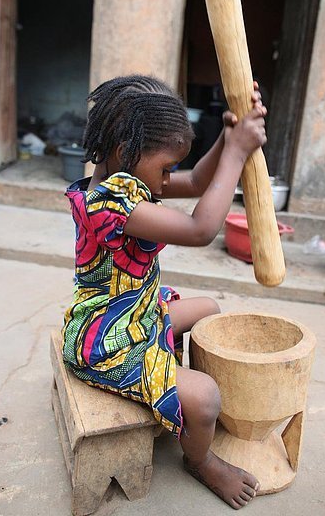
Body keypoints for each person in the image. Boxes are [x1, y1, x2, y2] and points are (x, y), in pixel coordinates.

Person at [62, 74, 267, 510]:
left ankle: (182, 400)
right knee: (207, 395)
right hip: (108, 342)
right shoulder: (110, 204)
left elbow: (194, 184)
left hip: (136, 314)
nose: (167, 180)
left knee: (210, 309)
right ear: (127, 152)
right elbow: (200, 228)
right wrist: (236, 153)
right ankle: (201, 459)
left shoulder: (127, 177)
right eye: (165, 168)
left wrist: (227, 137)